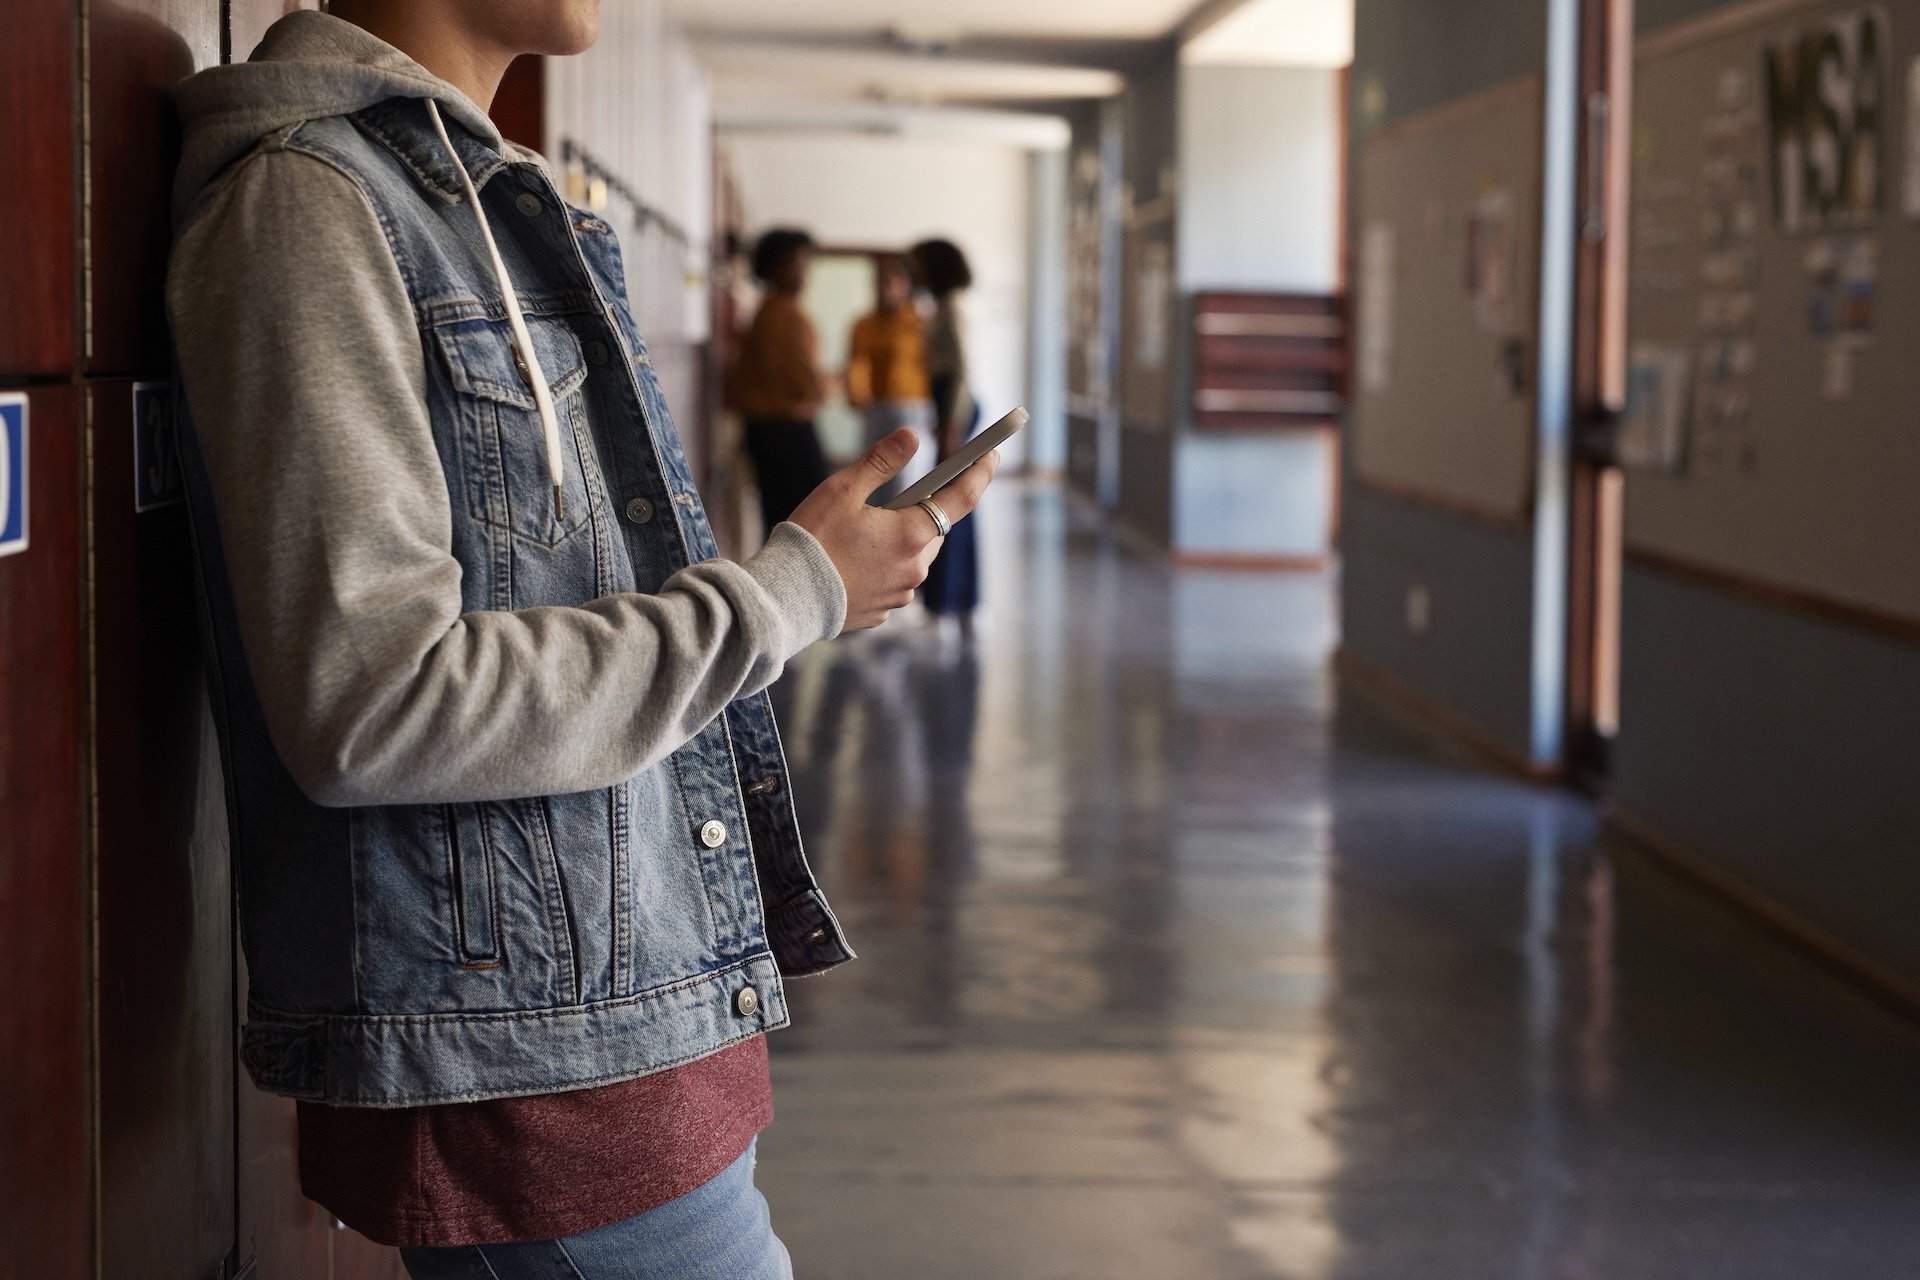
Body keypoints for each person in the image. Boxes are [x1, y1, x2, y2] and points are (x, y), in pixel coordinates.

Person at [164, 3, 998, 1276]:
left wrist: (806, 584)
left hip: (635, 1000)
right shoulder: (308, 206)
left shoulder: (487, 203)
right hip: (528, 1065)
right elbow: (371, 700)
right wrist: (788, 593)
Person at [728, 227, 833, 537]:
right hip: (784, 430)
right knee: (805, 523)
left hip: (771, 429)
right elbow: (806, 385)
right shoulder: (781, 314)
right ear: (776, 266)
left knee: (782, 520)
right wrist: (834, 383)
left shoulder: (774, 309)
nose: (805, 272)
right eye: (798, 263)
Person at [912, 238, 984, 629]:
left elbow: (961, 372)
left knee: (952, 505)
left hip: (957, 405)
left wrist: (952, 425)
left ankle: (952, 601)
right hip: (947, 404)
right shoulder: (940, 307)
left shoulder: (953, 307)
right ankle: (949, 601)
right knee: (948, 502)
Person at [845, 253, 935, 503]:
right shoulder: (864, 324)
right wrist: (857, 396)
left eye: (894, 279)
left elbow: (932, 367)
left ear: (907, 284)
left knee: (907, 479)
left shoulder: (920, 322)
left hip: (913, 409)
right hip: (878, 408)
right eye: (882, 280)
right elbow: (856, 364)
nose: (887, 286)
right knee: (873, 474)